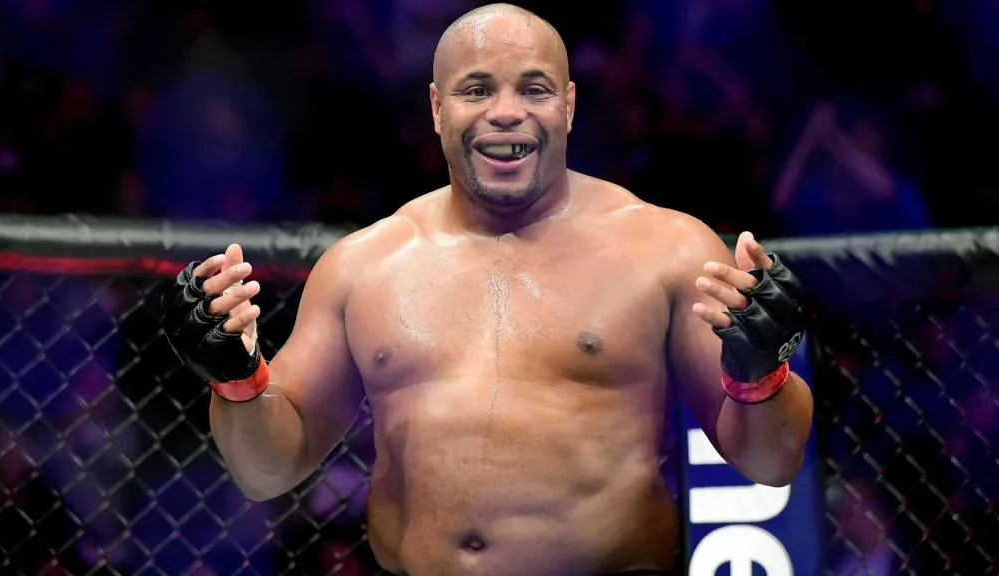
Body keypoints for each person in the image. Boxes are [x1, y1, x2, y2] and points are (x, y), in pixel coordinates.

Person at [160, 4, 814, 575]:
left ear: (569, 105)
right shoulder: (364, 265)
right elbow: (268, 469)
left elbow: (771, 463)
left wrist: (762, 379)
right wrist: (236, 381)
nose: (506, 112)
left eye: (534, 89)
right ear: (439, 107)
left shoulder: (668, 251)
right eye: (477, 89)